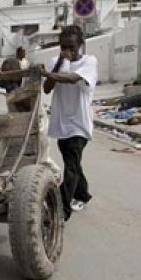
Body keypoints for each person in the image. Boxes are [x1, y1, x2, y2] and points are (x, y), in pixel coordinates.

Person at [41, 25, 98, 220]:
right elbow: (47, 88)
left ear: (80, 45)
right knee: (72, 163)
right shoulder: (55, 62)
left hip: (79, 125)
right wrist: (57, 65)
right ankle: (83, 194)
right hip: (61, 123)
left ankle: (62, 211)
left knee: (71, 167)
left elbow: (72, 79)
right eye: (64, 47)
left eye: (72, 47)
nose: (69, 51)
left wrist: (49, 73)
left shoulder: (89, 62)